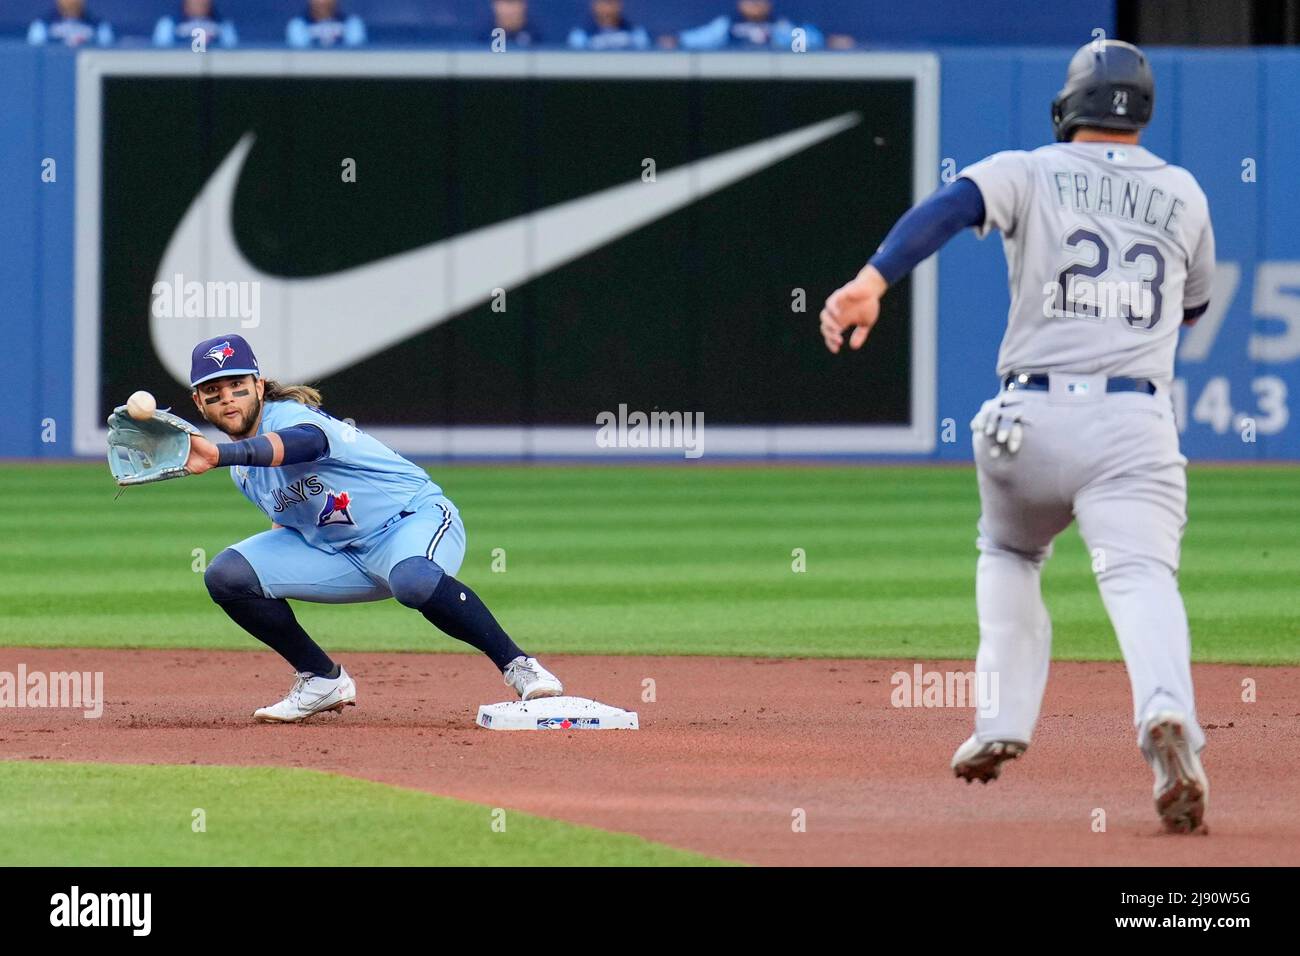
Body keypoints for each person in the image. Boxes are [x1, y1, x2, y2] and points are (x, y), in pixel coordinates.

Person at [818, 40, 1215, 834]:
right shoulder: (1185, 193)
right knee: (1138, 577)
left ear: (1069, 105)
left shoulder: (1029, 167)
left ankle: (1000, 718)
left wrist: (871, 280)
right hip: (1133, 420)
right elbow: (1193, 309)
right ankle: (1166, 713)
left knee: (1010, 553)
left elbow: (950, 208)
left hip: (1025, 421)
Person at [184, 334, 564, 722]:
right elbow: (287, 521)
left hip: (410, 522)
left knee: (413, 580)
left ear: (259, 387)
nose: (228, 397)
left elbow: (305, 444)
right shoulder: (242, 472)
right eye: (213, 391)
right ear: (199, 402)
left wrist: (218, 454)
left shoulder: (291, 418)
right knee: (228, 576)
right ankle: (320, 679)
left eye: (237, 386)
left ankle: (520, 666)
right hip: (341, 554)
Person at [674, 0, 823, 51]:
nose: (755, 5)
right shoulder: (728, 24)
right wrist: (677, 40)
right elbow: (701, 38)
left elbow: (807, 42)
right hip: (736, 75)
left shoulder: (779, 24)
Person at [568, 0, 650, 51]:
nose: (608, 9)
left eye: (611, 3)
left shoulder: (636, 33)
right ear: (594, 5)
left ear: (619, 5)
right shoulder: (581, 35)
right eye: (603, 2)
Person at [153, 0, 238, 49]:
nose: (199, 2)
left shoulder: (223, 25)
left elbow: (231, 54)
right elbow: (161, 53)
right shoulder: (168, 24)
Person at [27, 0, 113, 47]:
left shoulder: (99, 26)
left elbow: (106, 53)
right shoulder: (42, 25)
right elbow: (35, 53)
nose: (72, 1)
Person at [286, 0, 366, 49]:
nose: (322, 2)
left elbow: (354, 55)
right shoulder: (298, 25)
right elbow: (300, 56)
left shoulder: (352, 23)